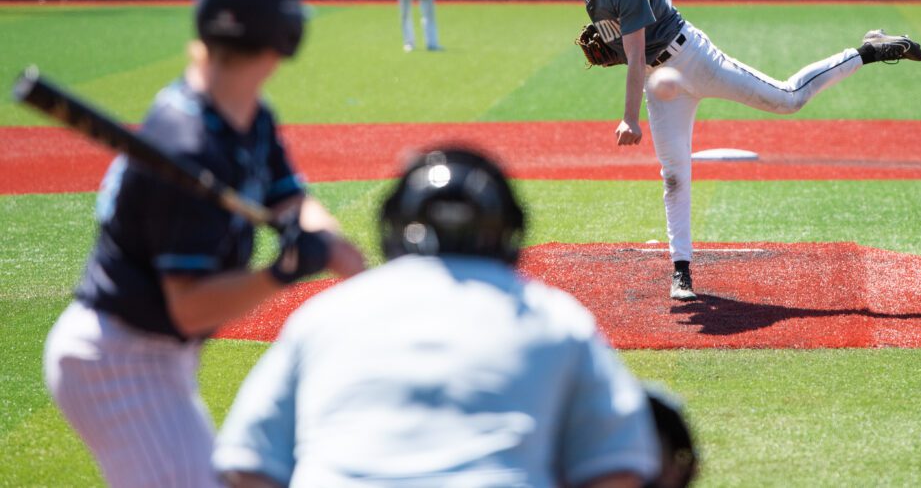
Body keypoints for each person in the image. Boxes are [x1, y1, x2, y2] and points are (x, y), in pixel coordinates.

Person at [42, 0, 367, 488]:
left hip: (157, 354)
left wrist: (339, 254)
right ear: (281, 39)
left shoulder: (246, 117)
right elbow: (191, 307)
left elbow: (292, 201)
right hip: (118, 361)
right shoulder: (187, 147)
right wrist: (281, 273)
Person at [214, 147, 661, 487]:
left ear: (394, 227)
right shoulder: (554, 317)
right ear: (508, 230)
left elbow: (245, 464)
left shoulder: (325, 315)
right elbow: (621, 467)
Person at [565, 0, 921, 302]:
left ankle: (868, 50)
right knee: (673, 173)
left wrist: (629, 119)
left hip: (693, 59)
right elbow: (634, 50)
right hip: (661, 80)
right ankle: (681, 270)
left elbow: (634, 57)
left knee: (788, 99)